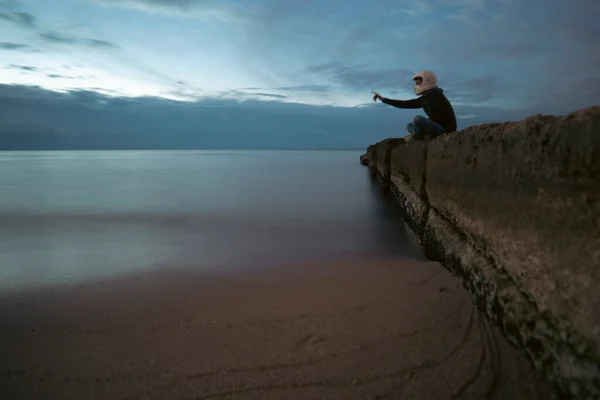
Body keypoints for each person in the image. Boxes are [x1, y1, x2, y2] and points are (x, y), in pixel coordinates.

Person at [372, 70, 457, 141]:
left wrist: (425, 125)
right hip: (438, 126)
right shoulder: (425, 97)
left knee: (418, 119)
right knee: (410, 125)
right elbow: (405, 104)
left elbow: (438, 118)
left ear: (427, 81)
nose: (417, 85)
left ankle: (417, 137)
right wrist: (383, 99)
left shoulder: (434, 94)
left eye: (419, 83)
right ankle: (421, 136)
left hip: (446, 130)